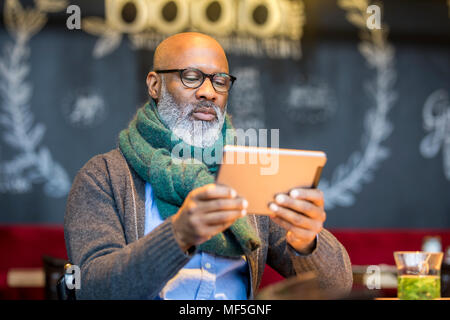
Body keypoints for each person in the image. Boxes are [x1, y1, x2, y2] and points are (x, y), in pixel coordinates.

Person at [64, 32, 353, 300]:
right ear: (155, 85)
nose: (208, 92)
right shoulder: (103, 176)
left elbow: (337, 287)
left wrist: (306, 241)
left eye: (220, 81)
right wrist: (179, 235)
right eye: (191, 77)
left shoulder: (248, 174)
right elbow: (93, 288)